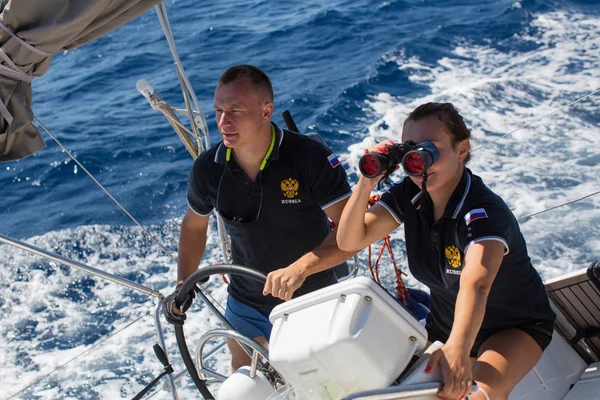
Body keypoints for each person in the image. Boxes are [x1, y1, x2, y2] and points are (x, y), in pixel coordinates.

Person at [337, 103, 555, 400]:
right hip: (445, 327)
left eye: (430, 151)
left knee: (476, 396)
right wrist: (367, 181)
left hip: (512, 327)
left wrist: (458, 349)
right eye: (411, 153)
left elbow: (476, 283)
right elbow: (350, 241)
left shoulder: (482, 212)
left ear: (462, 149)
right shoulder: (411, 194)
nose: (420, 165)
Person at [163, 64, 354, 371]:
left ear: (267, 111)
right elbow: (195, 227)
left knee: (322, 383)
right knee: (244, 377)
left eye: (236, 110)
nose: (224, 122)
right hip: (245, 303)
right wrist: (183, 283)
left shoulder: (309, 157)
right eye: (219, 110)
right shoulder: (207, 169)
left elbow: (352, 231)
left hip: (312, 301)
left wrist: (301, 269)